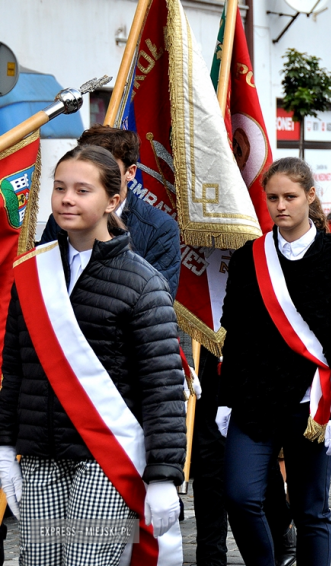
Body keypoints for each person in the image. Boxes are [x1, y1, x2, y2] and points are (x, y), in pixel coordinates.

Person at [0, 145, 187, 565]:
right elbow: (15, 369)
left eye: (82, 190)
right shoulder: (32, 272)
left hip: (105, 458)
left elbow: (162, 387)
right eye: (60, 188)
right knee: (39, 561)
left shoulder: (143, 282)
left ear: (114, 200)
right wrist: (4, 445)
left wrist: (162, 474)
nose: (67, 199)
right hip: (40, 457)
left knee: (89, 560)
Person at [219, 157, 331, 566]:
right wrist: (224, 397)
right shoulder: (248, 258)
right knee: (240, 495)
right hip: (254, 401)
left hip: (311, 404)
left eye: (290, 196)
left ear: (310, 197)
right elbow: (234, 334)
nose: (281, 206)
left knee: (311, 511)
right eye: (272, 198)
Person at [39, 124, 181, 297]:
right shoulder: (62, 218)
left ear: (130, 172)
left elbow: (157, 304)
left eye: (108, 168)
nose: (96, 174)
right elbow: (40, 284)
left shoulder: (160, 228)